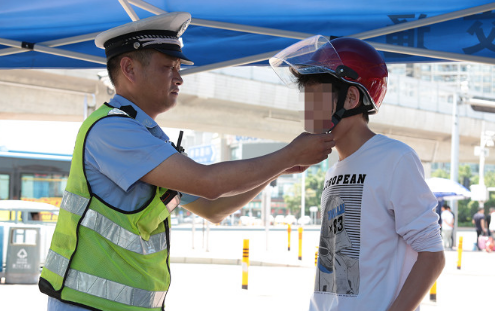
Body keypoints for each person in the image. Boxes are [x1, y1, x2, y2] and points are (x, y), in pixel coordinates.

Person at [38, 13, 335, 311]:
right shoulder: (112, 130)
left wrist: (280, 167)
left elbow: (213, 209)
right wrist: (288, 155)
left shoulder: (151, 140)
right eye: (168, 67)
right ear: (129, 68)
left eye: (178, 68)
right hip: (87, 304)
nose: (179, 78)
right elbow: (209, 183)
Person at [270, 35, 445, 311]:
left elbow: (432, 255)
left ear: (351, 98)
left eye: (317, 98)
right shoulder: (333, 170)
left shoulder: (396, 158)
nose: (308, 111)